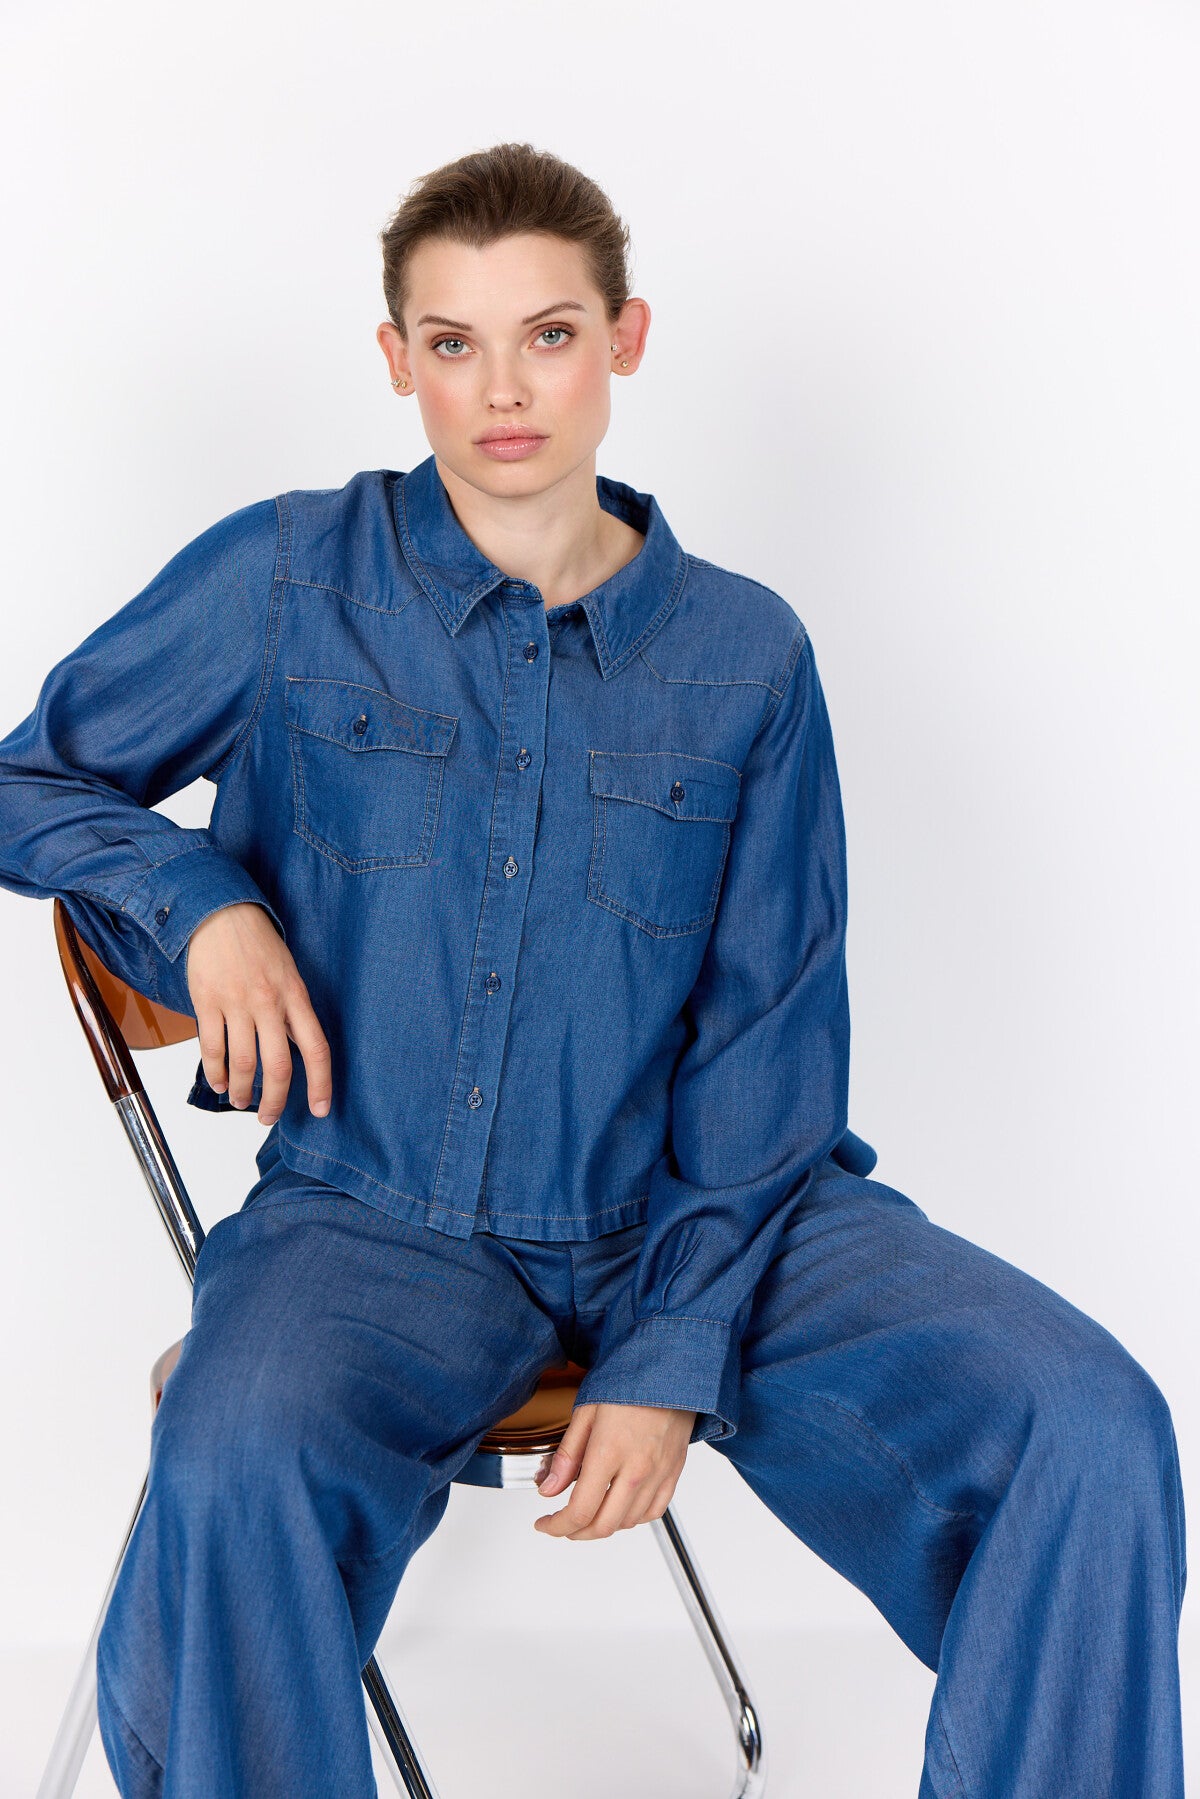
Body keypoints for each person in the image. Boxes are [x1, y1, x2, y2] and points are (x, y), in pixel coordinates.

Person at [0, 141, 1185, 1799]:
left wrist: (669, 1349)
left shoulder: (746, 655)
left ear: (624, 338)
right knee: (234, 1453)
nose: (503, 389)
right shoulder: (286, 579)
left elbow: (772, 1029)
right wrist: (201, 899)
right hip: (374, 1216)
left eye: (548, 335)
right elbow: (29, 779)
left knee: (1091, 1423)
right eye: (456, 342)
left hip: (715, 1210)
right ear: (397, 358)